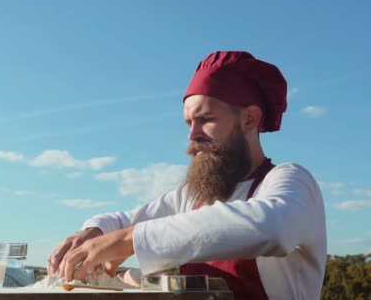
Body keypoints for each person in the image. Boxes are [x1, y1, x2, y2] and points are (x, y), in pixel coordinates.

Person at [47, 51, 327, 299]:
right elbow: (123, 221)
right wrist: (93, 233)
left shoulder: (291, 181)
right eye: (189, 122)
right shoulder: (192, 198)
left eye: (206, 119)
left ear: (249, 119)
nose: (193, 135)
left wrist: (127, 240)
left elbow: (272, 228)